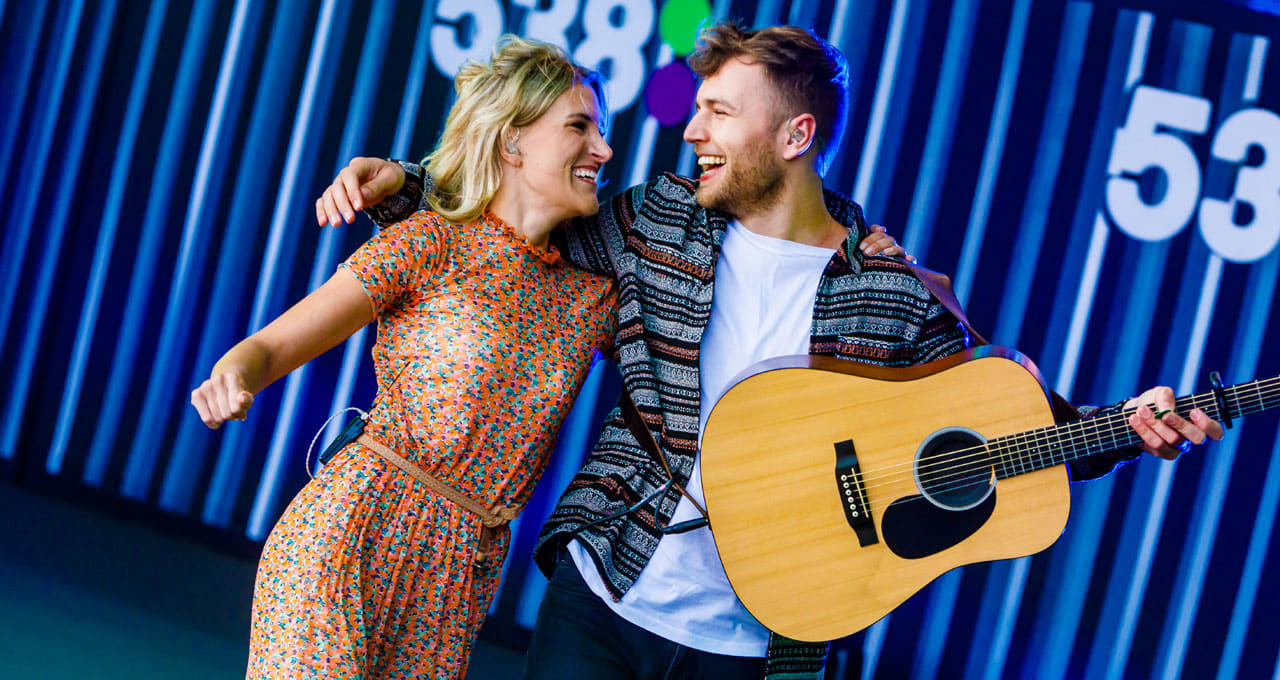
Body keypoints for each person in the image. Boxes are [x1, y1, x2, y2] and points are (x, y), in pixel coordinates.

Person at [320, 22, 1223, 680]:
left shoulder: (894, 292)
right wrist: (406, 178)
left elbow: (1009, 422)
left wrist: (1123, 426)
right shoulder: (656, 220)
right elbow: (514, 226)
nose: (692, 131)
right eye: (698, 109)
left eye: (718, 112)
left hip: (763, 646)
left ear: (795, 136)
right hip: (603, 599)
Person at [190, 37, 627, 680]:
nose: (604, 149)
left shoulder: (594, 298)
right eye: (578, 127)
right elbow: (268, 348)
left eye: (602, 130)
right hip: (349, 536)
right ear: (512, 143)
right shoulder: (428, 242)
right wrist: (231, 377)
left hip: (458, 579)